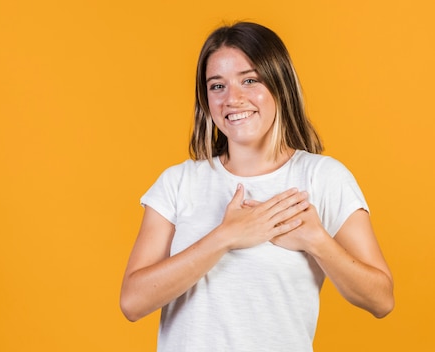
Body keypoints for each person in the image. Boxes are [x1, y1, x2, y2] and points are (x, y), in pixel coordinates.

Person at [119, 22, 394, 352]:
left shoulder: (323, 178)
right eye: (217, 86)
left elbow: (382, 299)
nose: (233, 99)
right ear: (206, 100)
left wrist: (317, 240)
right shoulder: (179, 183)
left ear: (280, 85)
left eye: (250, 80)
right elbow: (133, 302)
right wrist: (226, 236)